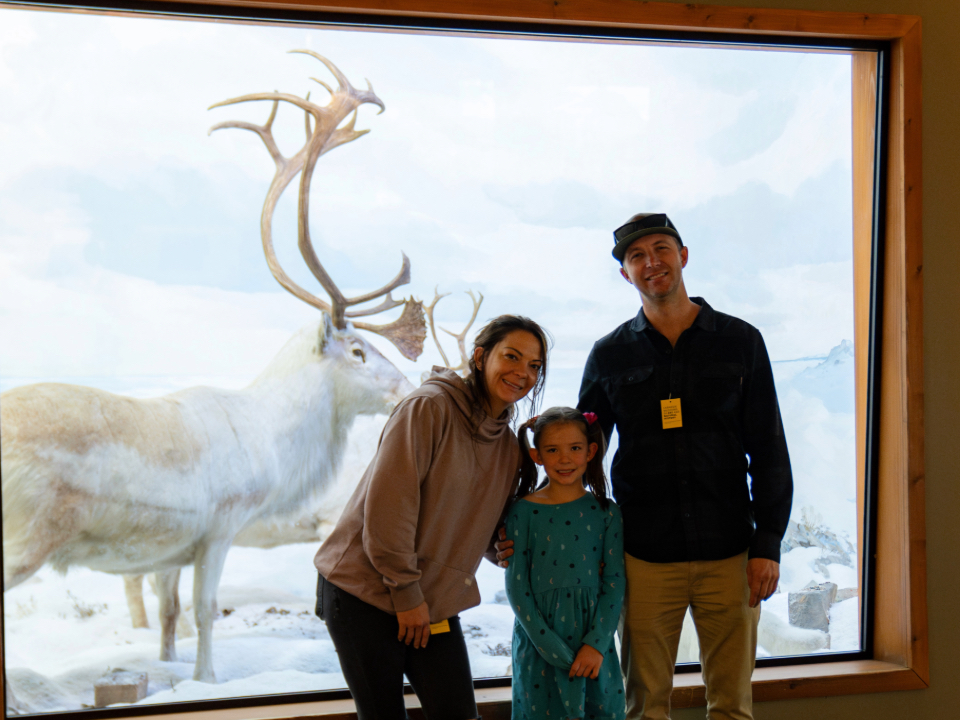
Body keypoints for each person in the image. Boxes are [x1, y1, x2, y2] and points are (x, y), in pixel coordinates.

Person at [577, 213, 794, 720]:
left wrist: (767, 545)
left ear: (683, 256)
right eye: (636, 257)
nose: (651, 262)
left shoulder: (741, 340)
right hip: (645, 557)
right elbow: (581, 452)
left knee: (732, 705)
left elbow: (769, 447)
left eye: (661, 249)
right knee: (645, 706)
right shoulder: (609, 354)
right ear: (625, 274)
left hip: (731, 554)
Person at [314, 314, 551, 720]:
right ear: (480, 356)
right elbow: (390, 509)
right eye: (511, 356)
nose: (522, 373)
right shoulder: (429, 407)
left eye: (534, 366)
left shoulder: (507, 445)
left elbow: (468, 515)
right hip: (365, 591)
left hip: (432, 601)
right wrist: (406, 595)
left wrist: (499, 546)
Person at [505, 407, 626, 720]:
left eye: (574, 448)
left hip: (594, 646)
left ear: (591, 451)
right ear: (537, 455)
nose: (564, 459)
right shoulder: (522, 513)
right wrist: (551, 648)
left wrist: (596, 644)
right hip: (539, 646)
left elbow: (614, 582)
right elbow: (518, 590)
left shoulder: (607, 512)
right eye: (552, 450)